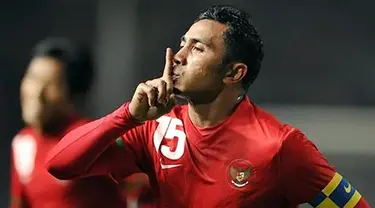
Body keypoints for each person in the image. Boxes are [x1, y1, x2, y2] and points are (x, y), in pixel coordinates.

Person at [45, 5, 370, 208]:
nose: (179, 56)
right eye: (183, 43)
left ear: (233, 72)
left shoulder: (279, 147)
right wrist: (127, 115)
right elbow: (61, 165)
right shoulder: (156, 128)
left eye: (197, 48)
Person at [10, 38, 128, 208]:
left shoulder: (93, 140)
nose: (37, 92)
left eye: (50, 84)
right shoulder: (22, 143)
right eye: (33, 78)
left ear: (73, 95)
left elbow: (141, 189)